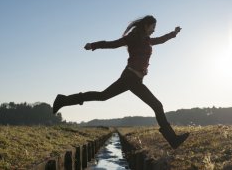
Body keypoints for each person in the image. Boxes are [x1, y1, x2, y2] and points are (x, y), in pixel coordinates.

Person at [53, 15, 189, 149]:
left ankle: (63, 100)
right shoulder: (133, 37)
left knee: (103, 96)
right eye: (153, 27)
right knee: (156, 105)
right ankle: (173, 140)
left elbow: (161, 40)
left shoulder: (147, 40)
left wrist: (174, 33)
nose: (154, 30)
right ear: (146, 25)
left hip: (135, 80)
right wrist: (93, 45)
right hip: (130, 78)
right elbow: (112, 44)